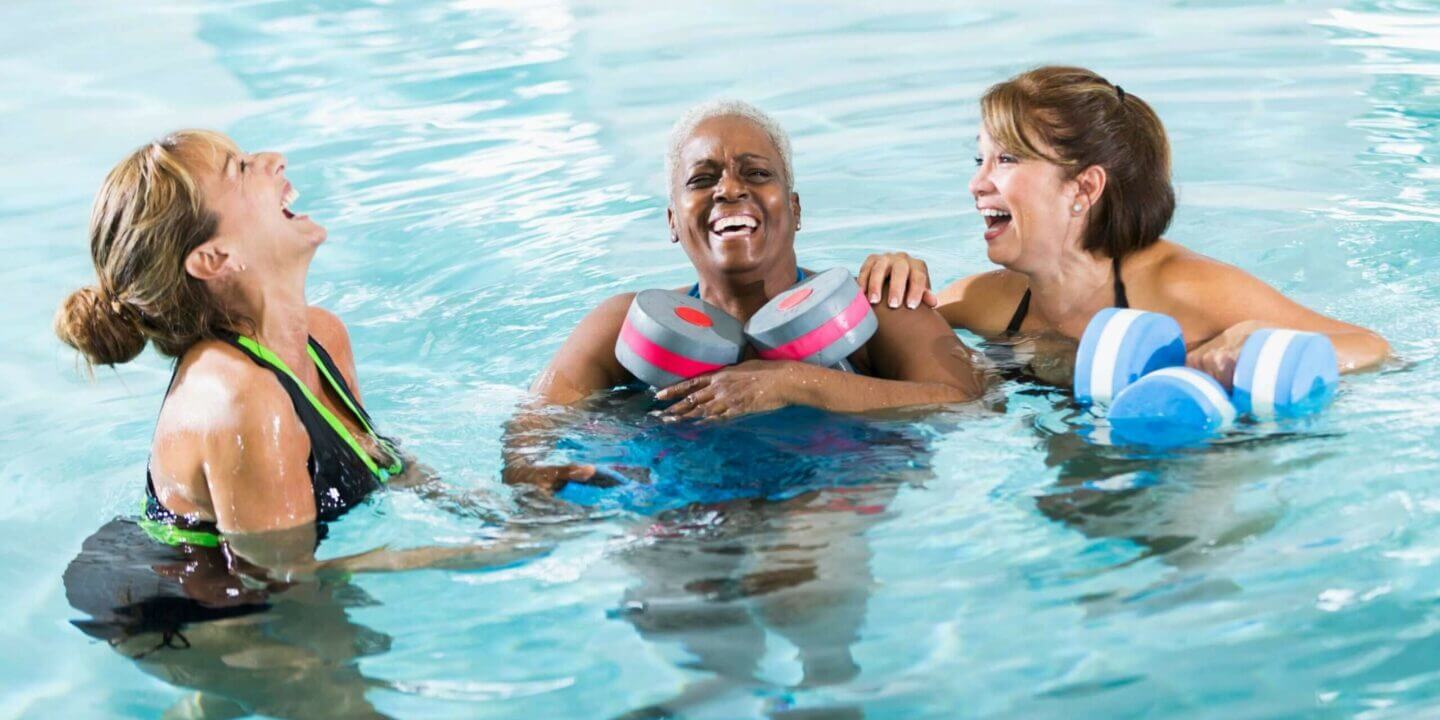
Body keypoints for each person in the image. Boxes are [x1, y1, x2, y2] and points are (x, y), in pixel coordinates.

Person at [56, 130, 530, 645]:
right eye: (238, 169)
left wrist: (504, 514)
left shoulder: (322, 336)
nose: (274, 160)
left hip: (245, 582)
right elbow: (285, 583)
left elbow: (377, 458)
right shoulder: (239, 400)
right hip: (177, 604)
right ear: (215, 258)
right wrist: (473, 555)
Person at [504, 100, 986, 491]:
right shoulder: (621, 325)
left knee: (793, 566)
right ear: (673, 221)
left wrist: (796, 384)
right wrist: (528, 471)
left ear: (795, 210)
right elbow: (537, 414)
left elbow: (966, 402)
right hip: (678, 498)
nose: (728, 190)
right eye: (702, 179)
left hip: (831, 490)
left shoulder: (874, 305)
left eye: (756, 174)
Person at [857, 66, 1389, 387]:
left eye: (1008, 161)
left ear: (1085, 189)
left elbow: (1371, 348)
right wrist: (894, 280)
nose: (978, 185)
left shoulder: (1179, 287)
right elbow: (868, 346)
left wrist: (1259, 341)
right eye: (979, 161)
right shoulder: (988, 301)